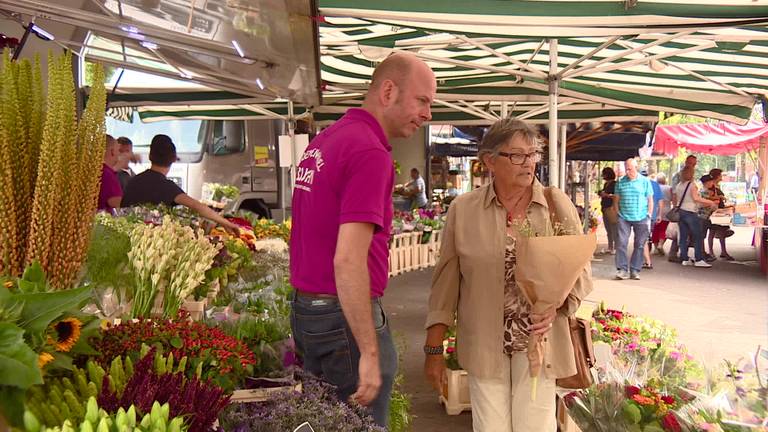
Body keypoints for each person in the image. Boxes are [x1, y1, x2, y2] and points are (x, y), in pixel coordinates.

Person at [289, 52, 436, 428]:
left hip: (309, 310)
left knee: (325, 421)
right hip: (344, 316)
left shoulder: (325, 140)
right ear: (388, 91)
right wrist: (369, 351)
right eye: (423, 100)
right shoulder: (369, 151)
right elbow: (348, 259)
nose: (428, 114)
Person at [424, 118, 593, 432]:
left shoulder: (555, 205)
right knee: (490, 427)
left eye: (532, 155)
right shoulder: (464, 210)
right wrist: (434, 349)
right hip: (484, 343)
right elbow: (445, 284)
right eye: (516, 155)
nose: (528, 163)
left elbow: (581, 272)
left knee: (536, 427)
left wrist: (556, 306)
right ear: (489, 160)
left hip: (540, 343)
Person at [121, 134, 239, 233]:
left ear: (150, 156)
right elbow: (196, 206)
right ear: (174, 158)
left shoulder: (133, 181)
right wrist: (225, 223)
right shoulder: (166, 187)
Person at [612, 158, 653, 280]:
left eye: (630, 168)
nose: (628, 171)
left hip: (641, 217)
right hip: (624, 216)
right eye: (626, 168)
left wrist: (649, 215)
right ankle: (622, 269)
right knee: (621, 243)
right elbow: (616, 199)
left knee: (639, 244)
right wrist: (617, 212)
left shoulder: (645, 181)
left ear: (636, 167)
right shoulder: (620, 182)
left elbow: (650, 199)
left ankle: (635, 270)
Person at [672, 167, 717, 268]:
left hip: (681, 212)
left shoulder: (679, 185)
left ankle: (684, 258)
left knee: (683, 236)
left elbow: (676, 197)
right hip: (691, 212)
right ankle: (699, 258)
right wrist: (710, 202)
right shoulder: (691, 185)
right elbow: (696, 198)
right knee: (698, 236)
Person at [707, 168, 735, 260]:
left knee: (722, 231)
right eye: (721, 175)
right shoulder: (711, 186)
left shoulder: (717, 186)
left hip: (720, 211)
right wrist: (720, 196)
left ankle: (723, 251)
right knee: (712, 231)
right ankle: (711, 252)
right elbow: (709, 197)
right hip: (714, 212)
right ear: (717, 176)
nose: (721, 177)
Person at [642, 170, 663, 269]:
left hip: (641, 215)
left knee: (643, 237)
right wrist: (660, 214)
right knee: (647, 235)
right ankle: (647, 256)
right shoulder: (655, 185)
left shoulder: (639, 183)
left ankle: (646, 258)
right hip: (652, 215)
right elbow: (660, 201)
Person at [697, 175, 719, 262]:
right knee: (701, 236)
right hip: (703, 216)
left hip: (704, 216)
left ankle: (702, 253)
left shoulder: (703, 191)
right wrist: (712, 203)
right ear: (707, 183)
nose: (712, 183)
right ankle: (701, 254)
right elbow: (701, 204)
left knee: (702, 236)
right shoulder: (704, 192)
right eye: (711, 182)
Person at [98, 135, 123, 212]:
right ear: (112, 151)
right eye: (118, 150)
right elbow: (116, 202)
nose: (119, 154)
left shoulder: (98, 170)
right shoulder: (107, 174)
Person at [597, 167, 617, 255]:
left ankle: (615, 247)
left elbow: (616, 196)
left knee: (614, 228)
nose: (603, 176)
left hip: (611, 208)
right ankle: (610, 247)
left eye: (604, 174)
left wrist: (607, 195)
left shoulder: (615, 184)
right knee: (608, 229)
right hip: (605, 208)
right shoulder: (606, 184)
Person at [652, 173, 672, 255]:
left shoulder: (654, 187)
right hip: (666, 209)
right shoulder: (669, 188)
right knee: (663, 229)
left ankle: (656, 248)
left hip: (655, 209)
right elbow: (672, 198)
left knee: (655, 230)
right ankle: (661, 244)